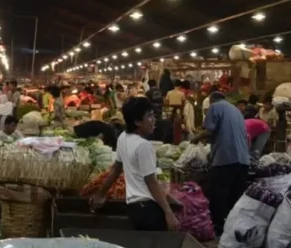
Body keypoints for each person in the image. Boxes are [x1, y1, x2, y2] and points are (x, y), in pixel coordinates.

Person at [91, 97, 180, 231]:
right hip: (149, 208)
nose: (154, 120)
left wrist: (101, 193)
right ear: (137, 121)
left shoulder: (123, 137)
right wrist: (169, 212)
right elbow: (151, 182)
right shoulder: (144, 146)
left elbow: (116, 169)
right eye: (149, 116)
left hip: (134, 209)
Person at [192, 92, 250, 235]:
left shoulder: (215, 107)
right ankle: (233, 228)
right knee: (234, 197)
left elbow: (209, 131)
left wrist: (196, 138)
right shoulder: (236, 110)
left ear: (211, 101)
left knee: (219, 194)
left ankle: (218, 227)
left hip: (226, 159)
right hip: (243, 160)